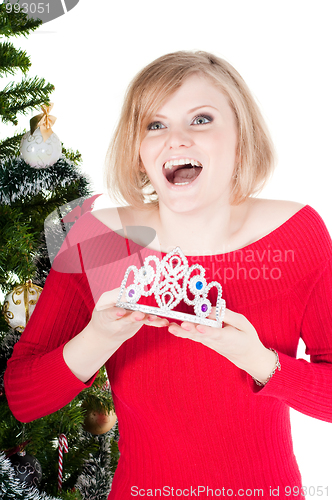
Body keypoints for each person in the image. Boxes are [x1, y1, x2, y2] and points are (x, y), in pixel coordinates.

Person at [4, 51, 332, 499]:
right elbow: (24, 397)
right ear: (139, 153)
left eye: (201, 119)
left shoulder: (297, 233)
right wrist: (101, 336)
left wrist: (259, 361)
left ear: (241, 137)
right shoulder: (99, 239)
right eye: (155, 125)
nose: (175, 139)